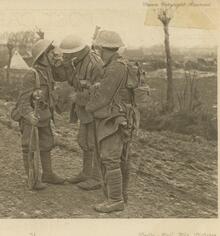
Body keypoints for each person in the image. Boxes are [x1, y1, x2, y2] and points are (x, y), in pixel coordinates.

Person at [85, 30, 140, 213]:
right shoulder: (115, 65)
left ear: (103, 48)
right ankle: (119, 196)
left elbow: (104, 96)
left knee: (110, 158)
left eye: (99, 48)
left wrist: (87, 105)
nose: (97, 51)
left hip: (114, 119)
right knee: (116, 159)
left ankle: (115, 199)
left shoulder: (116, 67)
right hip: (117, 116)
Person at [12, 39, 65, 190]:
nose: (53, 55)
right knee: (29, 147)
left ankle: (47, 174)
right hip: (31, 117)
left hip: (44, 115)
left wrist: (59, 61)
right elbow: (23, 101)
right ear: (43, 56)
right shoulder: (32, 74)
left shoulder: (48, 71)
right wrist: (29, 116)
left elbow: (62, 75)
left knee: (47, 144)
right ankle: (32, 179)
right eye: (50, 53)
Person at [55, 35, 104, 190]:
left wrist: (79, 97)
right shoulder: (77, 61)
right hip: (84, 109)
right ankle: (86, 172)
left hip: (95, 109)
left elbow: (101, 92)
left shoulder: (95, 64)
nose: (65, 56)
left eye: (68, 54)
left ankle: (97, 178)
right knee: (84, 141)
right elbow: (70, 80)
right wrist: (65, 66)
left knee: (95, 142)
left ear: (76, 52)